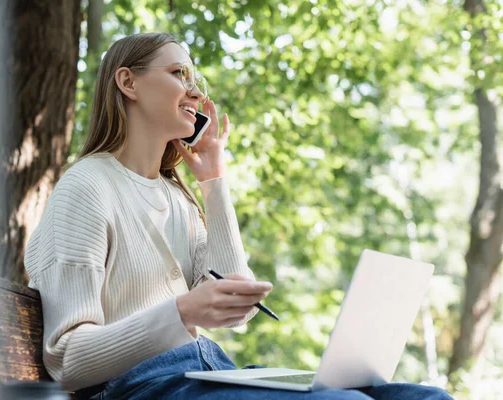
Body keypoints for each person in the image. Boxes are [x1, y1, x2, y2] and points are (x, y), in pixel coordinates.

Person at [24, 33, 452, 400]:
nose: (196, 93)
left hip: (205, 372)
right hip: (141, 387)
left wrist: (213, 181)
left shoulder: (176, 198)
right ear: (127, 81)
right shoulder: (86, 188)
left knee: (425, 396)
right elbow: (68, 357)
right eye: (178, 75)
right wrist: (183, 311)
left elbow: (238, 304)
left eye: (195, 80)